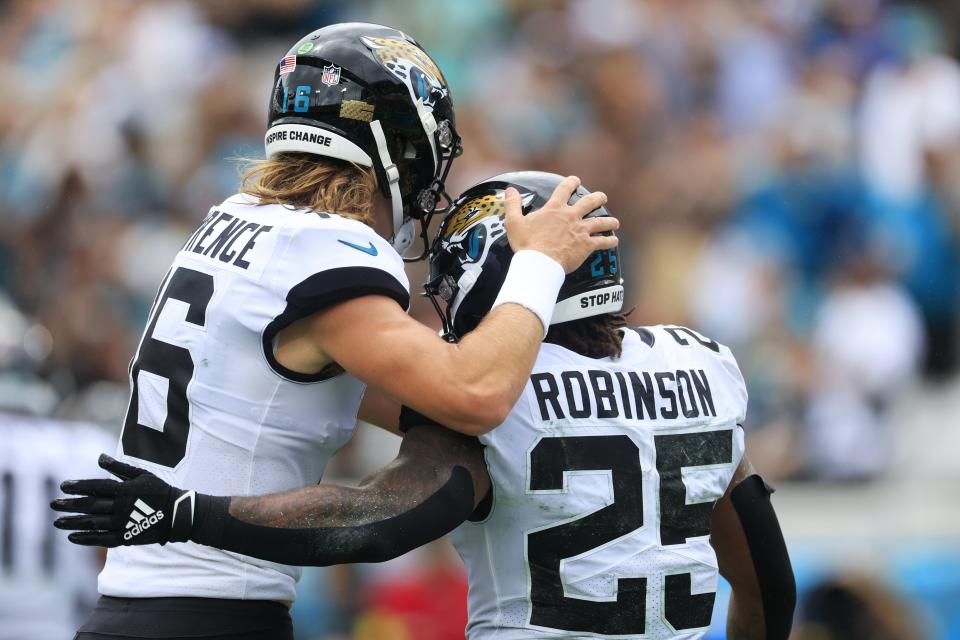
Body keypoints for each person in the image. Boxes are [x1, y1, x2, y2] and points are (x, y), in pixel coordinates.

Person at [50, 21, 617, 640]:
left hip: (135, 610)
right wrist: (539, 263)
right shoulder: (325, 248)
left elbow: (420, 408)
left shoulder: (237, 221)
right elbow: (476, 395)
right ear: (388, 148)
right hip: (213, 612)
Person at [55, 173, 795, 639]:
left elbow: (375, 521)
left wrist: (191, 513)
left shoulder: (495, 397)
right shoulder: (702, 366)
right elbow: (766, 578)